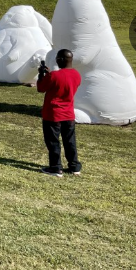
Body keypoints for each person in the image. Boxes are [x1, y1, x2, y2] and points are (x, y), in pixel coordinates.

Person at [36, 49, 82, 177]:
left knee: (53, 142)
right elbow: (63, 83)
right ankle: (74, 167)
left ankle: (56, 168)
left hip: (53, 114)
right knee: (70, 141)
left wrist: (41, 75)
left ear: (60, 60)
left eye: (57, 58)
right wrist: (49, 75)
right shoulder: (77, 75)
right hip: (69, 114)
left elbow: (41, 88)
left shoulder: (54, 76)